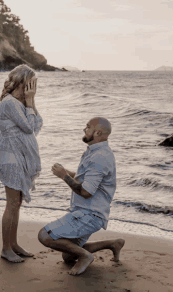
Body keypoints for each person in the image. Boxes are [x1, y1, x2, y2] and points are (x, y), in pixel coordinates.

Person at [38, 117, 125, 275]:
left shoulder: (99, 157)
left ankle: (86, 256)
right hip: (89, 212)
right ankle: (113, 244)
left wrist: (64, 176)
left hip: (89, 214)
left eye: (88, 127)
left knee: (45, 235)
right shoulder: (95, 151)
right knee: (68, 256)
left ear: (98, 132)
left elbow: (86, 192)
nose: (84, 129)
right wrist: (67, 173)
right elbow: (86, 178)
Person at [0, 64, 43, 263]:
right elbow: (27, 127)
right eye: (31, 83)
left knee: (18, 203)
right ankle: (6, 249)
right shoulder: (9, 103)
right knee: (12, 203)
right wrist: (30, 100)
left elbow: (38, 124)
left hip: (20, 157)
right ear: (23, 82)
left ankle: (14, 245)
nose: (34, 87)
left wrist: (30, 101)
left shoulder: (21, 103)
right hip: (10, 158)